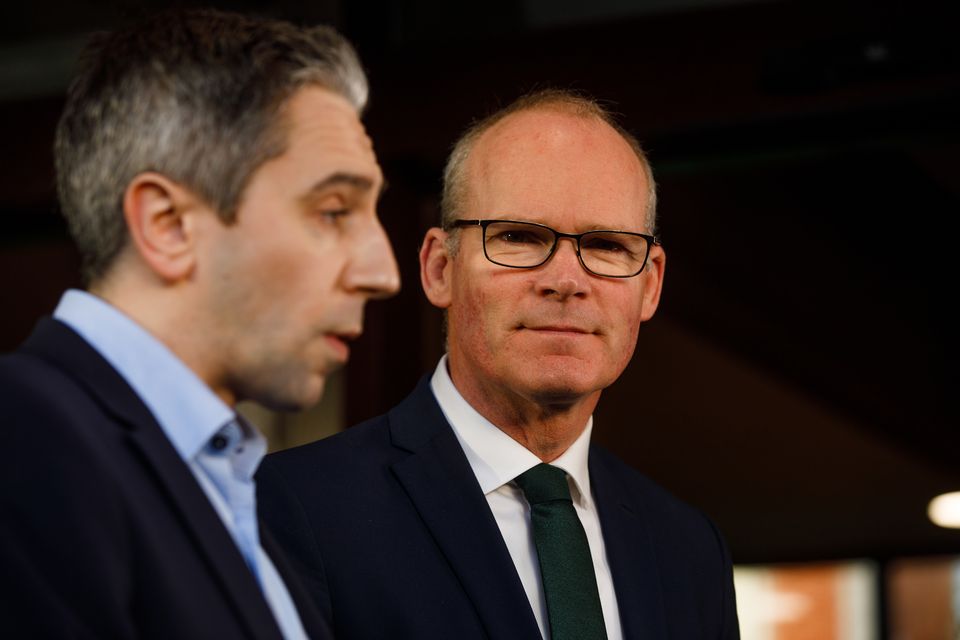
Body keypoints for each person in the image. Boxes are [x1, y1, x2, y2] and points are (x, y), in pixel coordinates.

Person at [257, 89, 739, 639]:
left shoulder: (689, 547)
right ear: (440, 268)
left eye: (606, 245)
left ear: (649, 285)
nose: (565, 281)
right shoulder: (291, 508)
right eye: (518, 237)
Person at [0, 8, 399, 639]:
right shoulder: (25, 440)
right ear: (169, 226)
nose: (383, 273)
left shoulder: (225, 481)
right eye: (332, 210)